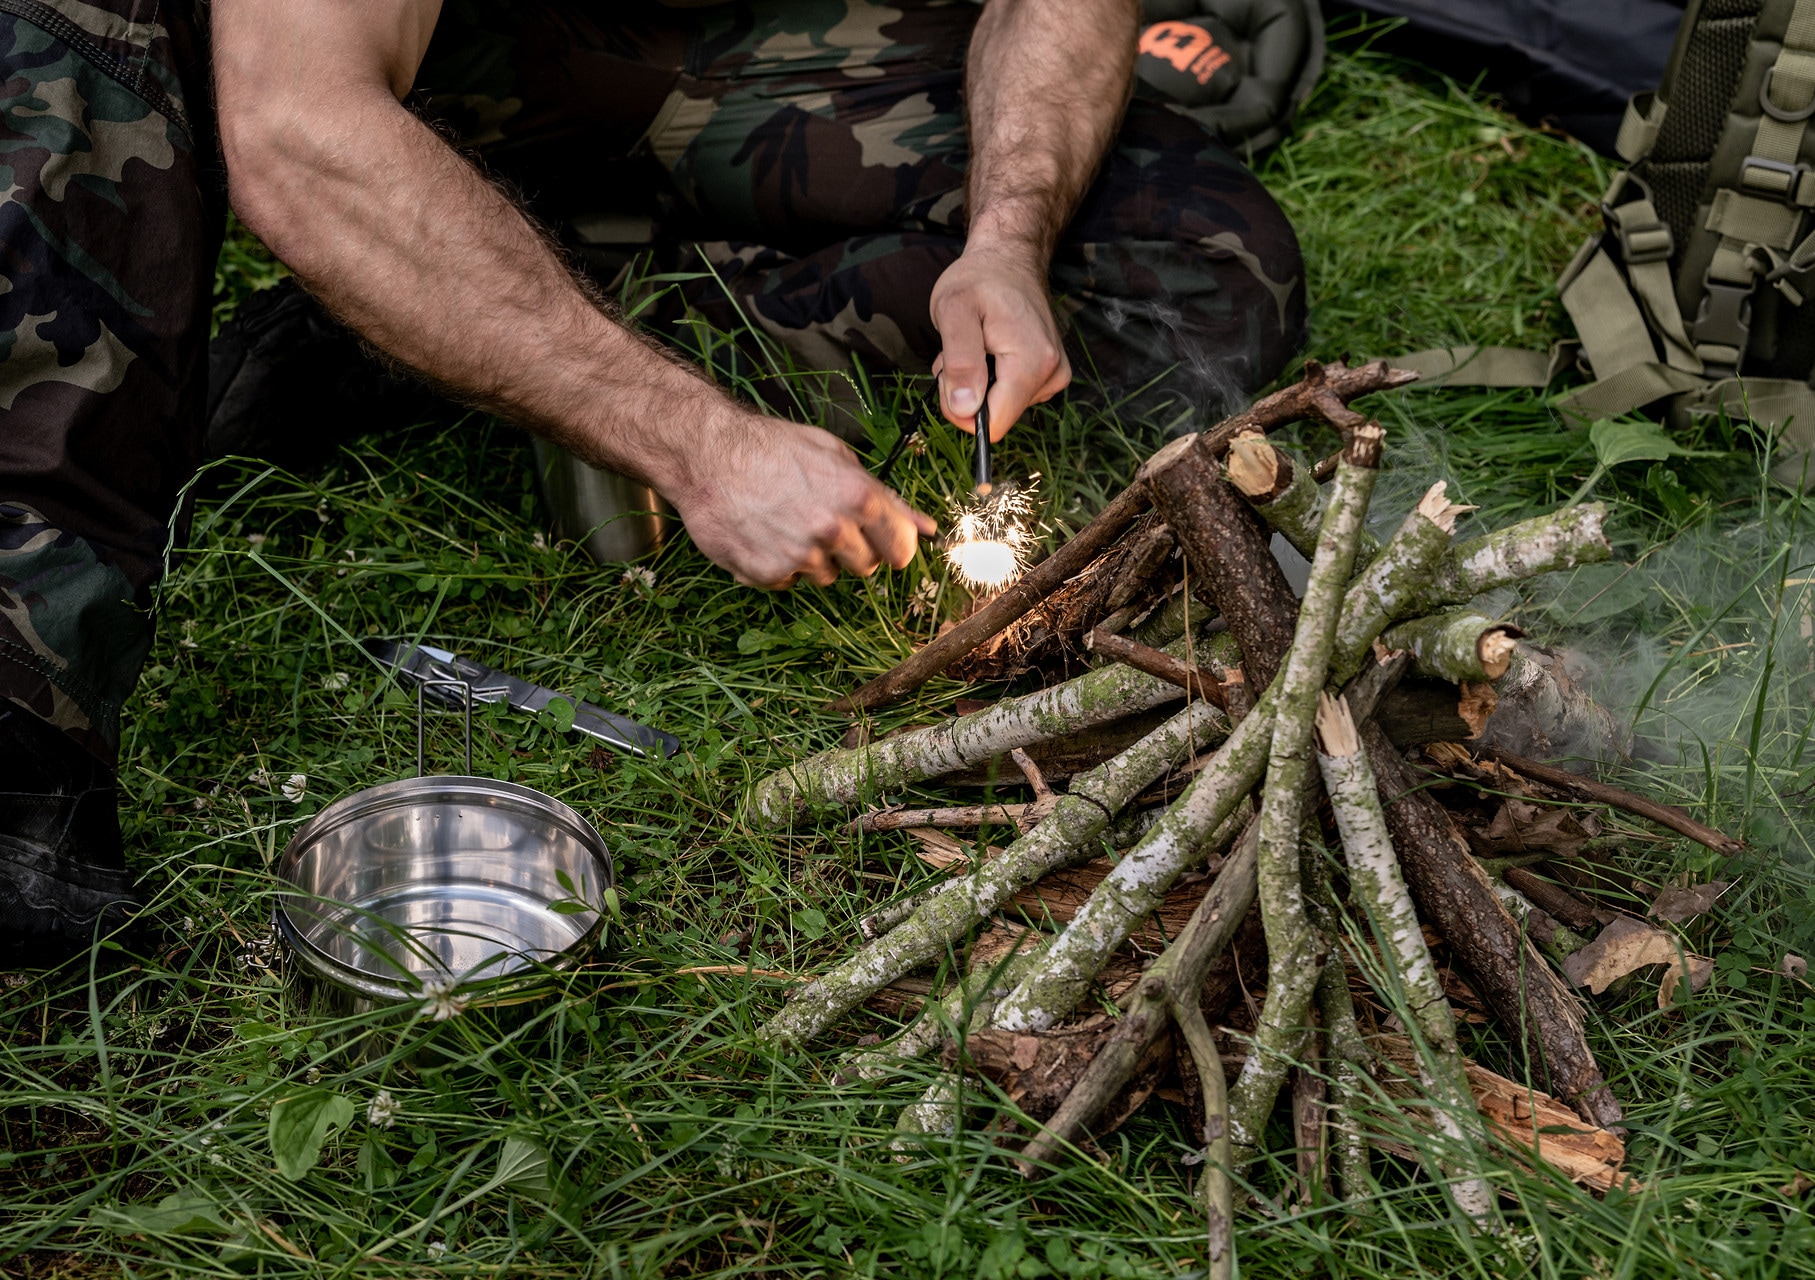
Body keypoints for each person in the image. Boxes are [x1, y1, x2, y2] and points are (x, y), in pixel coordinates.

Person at [0, 0, 1306, 954]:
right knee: (64, 51)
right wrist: (703, 448)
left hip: (692, 44)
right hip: (356, 56)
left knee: (1190, 251)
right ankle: (23, 753)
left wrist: (1007, 238)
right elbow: (297, 123)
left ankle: (429, 332)